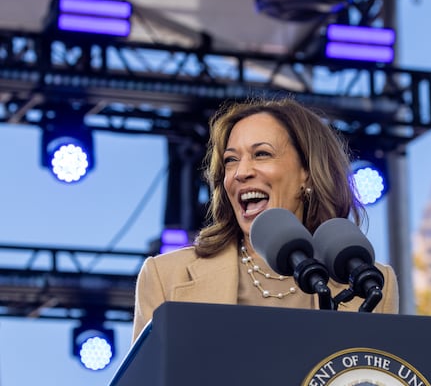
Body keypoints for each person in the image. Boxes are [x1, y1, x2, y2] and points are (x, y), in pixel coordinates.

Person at [131, 97, 399, 342]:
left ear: (307, 171)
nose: (241, 172)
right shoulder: (165, 276)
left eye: (261, 154)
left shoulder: (372, 284)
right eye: (231, 160)